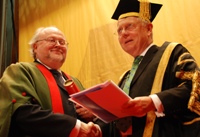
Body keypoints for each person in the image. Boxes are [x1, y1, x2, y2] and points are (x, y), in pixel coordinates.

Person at [110, 0, 200, 137]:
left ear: (148, 29)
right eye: (119, 30)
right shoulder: (125, 78)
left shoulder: (172, 53)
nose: (123, 33)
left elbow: (194, 86)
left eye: (129, 27)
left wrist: (154, 102)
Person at [0, 26, 105, 137]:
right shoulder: (21, 70)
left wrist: (93, 115)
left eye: (62, 42)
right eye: (51, 40)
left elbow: (96, 116)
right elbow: (21, 112)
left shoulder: (75, 81)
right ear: (35, 47)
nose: (58, 45)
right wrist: (75, 127)